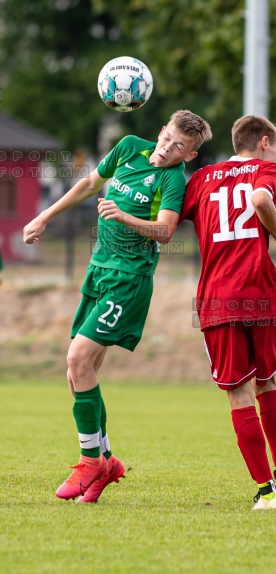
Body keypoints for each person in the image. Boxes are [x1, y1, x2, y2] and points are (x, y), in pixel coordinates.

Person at [23, 110, 212, 503]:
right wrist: (44, 217)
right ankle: (106, 461)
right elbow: (91, 183)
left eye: (179, 147)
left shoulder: (172, 180)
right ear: (161, 132)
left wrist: (122, 214)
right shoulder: (128, 148)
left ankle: (89, 461)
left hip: (128, 282)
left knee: (78, 359)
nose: (167, 149)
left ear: (190, 155)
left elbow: (163, 231)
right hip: (99, 272)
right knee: (79, 373)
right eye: (167, 139)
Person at [180, 115, 276, 510]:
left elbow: (167, 217)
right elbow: (261, 197)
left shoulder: (200, 179)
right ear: (265, 141)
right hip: (261, 291)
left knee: (238, 393)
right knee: (267, 382)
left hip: (219, 298)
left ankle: (267, 492)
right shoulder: (268, 169)